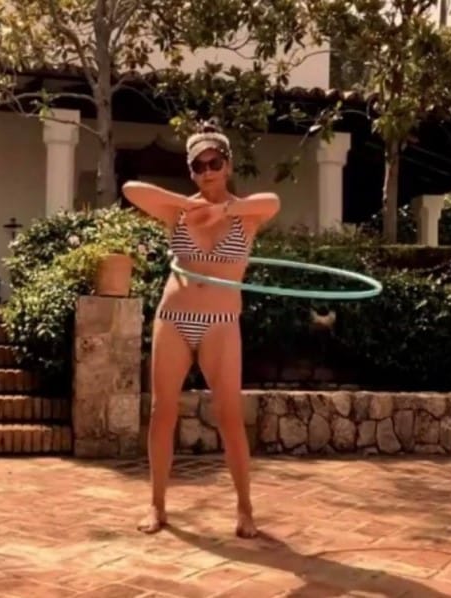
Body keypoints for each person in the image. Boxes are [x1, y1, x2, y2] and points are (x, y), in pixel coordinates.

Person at [122, 120, 280, 538]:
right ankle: (157, 505)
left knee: (230, 415)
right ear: (191, 171)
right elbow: (131, 190)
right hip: (174, 318)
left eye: (214, 162)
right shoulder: (178, 212)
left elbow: (273, 201)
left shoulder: (245, 214)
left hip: (221, 323)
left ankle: (245, 508)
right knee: (161, 412)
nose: (207, 171)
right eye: (198, 165)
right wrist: (188, 204)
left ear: (228, 165)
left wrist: (223, 209)